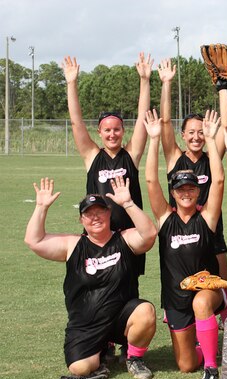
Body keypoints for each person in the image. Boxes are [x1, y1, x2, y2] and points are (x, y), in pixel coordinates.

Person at [24, 176, 158, 379]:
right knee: (81, 368)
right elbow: (34, 241)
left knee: (145, 311)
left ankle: (134, 358)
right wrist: (41, 207)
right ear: (81, 220)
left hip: (121, 319)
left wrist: (128, 204)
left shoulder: (124, 239)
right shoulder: (73, 245)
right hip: (86, 324)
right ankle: (102, 350)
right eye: (88, 214)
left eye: (100, 212)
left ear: (109, 213)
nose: (95, 217)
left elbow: (149, 234)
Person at [145, 108, 227, 379]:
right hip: (175, 298)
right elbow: (151, 181)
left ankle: (212, 369)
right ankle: (209, 345)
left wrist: (214, 141)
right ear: (174, 192)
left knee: (201, 303)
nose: (186, 192)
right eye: (181, 189)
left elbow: (217, 180)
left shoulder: (207, 218)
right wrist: (154, 139)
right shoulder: (165, 219)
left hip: (207, 289)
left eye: (191, 188)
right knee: (184, 364)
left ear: (196, 191)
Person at [156, 58, 227, 327]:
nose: (196, 137)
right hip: (180, 236)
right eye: (190, 132)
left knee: (221, 285)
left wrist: (223, 89)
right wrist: (166, 84)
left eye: (200, 132)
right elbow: (165, 121)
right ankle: (179, 313)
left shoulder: (212, 155)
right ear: (183, 135)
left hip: (211, 232)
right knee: (179, 283)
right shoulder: (174, 159)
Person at [62, 53, 152, 277]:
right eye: (107, 130)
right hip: (98, 236)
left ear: (123, 131)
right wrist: (71, 83)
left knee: (128, 286)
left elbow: (142, 117)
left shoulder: (130, 155)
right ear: (99, 132)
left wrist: (144, 80)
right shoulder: (93, 156)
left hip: (128, 237)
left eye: (117, 129)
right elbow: (76, 122)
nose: (112, 134)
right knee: (98, 282)